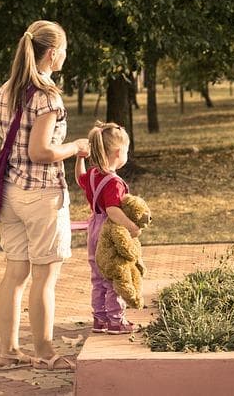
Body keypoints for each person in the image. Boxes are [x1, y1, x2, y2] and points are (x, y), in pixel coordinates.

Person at [0, 20, 89, 372]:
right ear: (52, 53)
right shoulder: (47, 97)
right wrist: (76, 146)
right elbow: (40, 151)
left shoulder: (6, 90)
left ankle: (9, 351)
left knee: (14, 273)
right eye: (64, 49)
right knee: (44, 277)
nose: (66, 55)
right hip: (42, 195)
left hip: (10, 193)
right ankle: (46, 352)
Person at [75, 121, 141, 334]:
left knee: (98, 276)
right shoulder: (114, 182)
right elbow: (113, 210)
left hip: (92, 226)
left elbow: (79, 179)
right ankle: (116, 320)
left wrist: (79, 160)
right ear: (119, 152)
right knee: (114, 274)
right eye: (127, 151)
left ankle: (99, 318)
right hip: (108, 232)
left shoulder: (94, 174)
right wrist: (131, 226)